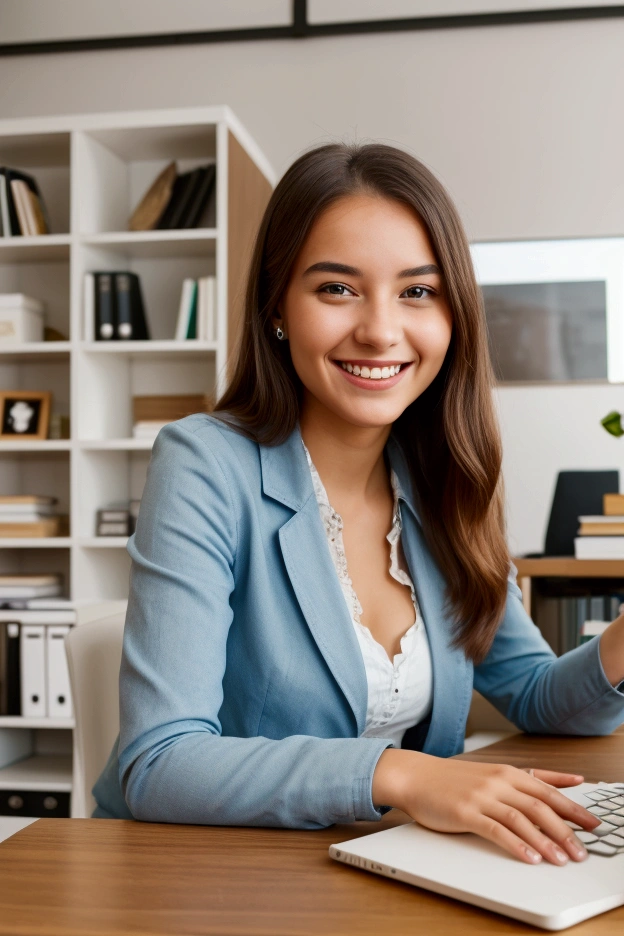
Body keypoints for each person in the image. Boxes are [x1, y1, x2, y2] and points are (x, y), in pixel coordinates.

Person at [92, 142, 624, 866]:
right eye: (337, 289)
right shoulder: (205, 464)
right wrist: (400, 774)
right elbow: (160, 763)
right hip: (213, 877)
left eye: (417, 291)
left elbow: (532, 693)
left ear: (453, 316)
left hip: (392, 867)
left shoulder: (443, 480)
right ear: (277, 307)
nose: (379, 329)